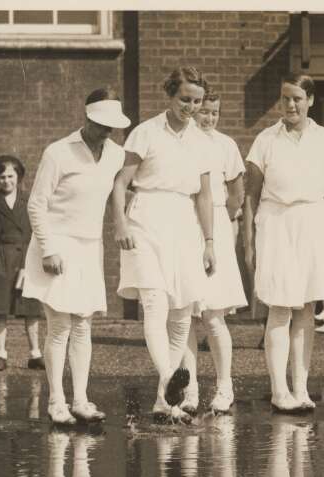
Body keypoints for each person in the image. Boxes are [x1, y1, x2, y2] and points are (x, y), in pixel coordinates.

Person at [113, 67, 216, 423]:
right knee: (154, 304)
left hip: (183, 223)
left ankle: (163, 401)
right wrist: (120, 223)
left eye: (197, 101)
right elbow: (119, 183)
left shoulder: (202, 141)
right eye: (184, 99)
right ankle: (170, 377)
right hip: (145, 218)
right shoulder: (145, 133)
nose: (190, 107)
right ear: (170, 96)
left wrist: (209, 242)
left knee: (181, 315)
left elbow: (204, 196)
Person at [23, 87, 129, 425]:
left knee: (83, 324)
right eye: (99, 124)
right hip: (57, 245)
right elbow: (36, 204)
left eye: (110, 126)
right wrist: (48, 248)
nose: (104, 132)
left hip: (89, 247)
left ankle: (80, 400)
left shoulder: (115, 154)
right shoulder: (58, 152)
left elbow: (124, 190)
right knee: (59, 326)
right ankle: (56, 402)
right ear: (86, 118)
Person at [244, 73, 324, 413]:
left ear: (310, 100)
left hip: (312, 223)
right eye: (285, 98)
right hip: (275, 223)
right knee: (279, 307)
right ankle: (278, 390)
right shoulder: (265, 140)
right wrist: (248, 241)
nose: (290, 104)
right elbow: (251, 194)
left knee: (305, 310)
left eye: (297, 98)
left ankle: (300, 388)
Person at [176, 90, 248, 415]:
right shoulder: (181, 141)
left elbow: (237, 190)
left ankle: (224, 385)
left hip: (215, 223)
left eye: (215, 112)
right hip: (183, 222)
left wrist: (224, 223)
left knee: (213, 314)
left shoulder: (225, 145)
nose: (209, 118)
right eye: (205, 112)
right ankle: (189, 388)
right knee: (185, 314)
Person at [0, 155, 44, 372]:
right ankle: (1, 354)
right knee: (0, 308)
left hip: (26, 257)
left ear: (19, 176)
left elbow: (37, 232)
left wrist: (32, 262)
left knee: (30, 309)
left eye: (11, 176)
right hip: (0, 259)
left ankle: (35, 354)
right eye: (2, 176)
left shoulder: (29, 201)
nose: (7, 180)